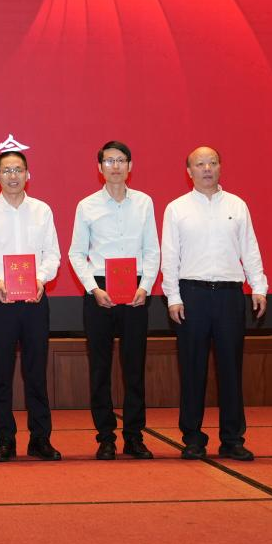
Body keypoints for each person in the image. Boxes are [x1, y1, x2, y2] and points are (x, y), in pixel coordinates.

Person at [162, 146, 268, 461]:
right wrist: (173, 296)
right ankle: (192, 438)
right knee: (192, 369)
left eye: (212, 163)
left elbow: (249, 248)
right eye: (200, 164)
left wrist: (259, 286)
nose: (206, 168)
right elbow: (170, 256)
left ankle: (232, 439)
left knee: (230, 369)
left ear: (220, 167)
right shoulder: (176, 208)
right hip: (191, 294)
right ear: (189, 171)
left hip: (229, 294)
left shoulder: (237, 205)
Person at [0, 150, 62, 462]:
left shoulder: (42, 210)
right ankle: (4, 440)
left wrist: (41, 280)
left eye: (18, 169)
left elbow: (53, 255)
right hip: (0, 301)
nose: (13, 176)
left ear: (28, 174)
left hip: (35, 301)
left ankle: (40, 439)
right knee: (1, 374)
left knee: (36, 373)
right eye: (6, 170)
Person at [67, 140, 160, 461]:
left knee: (134, 368)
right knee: (100, 368)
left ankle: (134, 437)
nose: (115, 166)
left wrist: (145, 286)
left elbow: (152, 250)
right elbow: (76, 253)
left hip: (136, 290)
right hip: (100, 290)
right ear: (100, 168)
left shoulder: (144, 203)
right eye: (109, 161)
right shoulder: (87, 206)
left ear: (130, 166)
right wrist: (93, 288)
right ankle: (105, 437)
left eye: (121, 160)